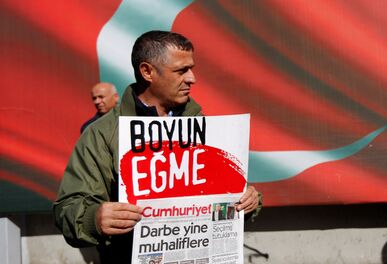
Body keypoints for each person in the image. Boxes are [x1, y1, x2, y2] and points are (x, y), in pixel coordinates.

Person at [54, 30, 262, 263]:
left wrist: (250, 200)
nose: (192, 78)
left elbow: (228, 195)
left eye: (191, 68)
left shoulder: (202, 123)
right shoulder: (102, 133)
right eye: (181, 70)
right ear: (147, 72)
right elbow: (68, 208)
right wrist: (94, 218)